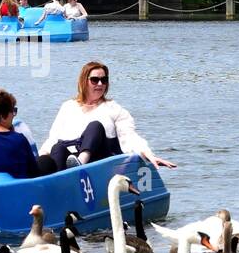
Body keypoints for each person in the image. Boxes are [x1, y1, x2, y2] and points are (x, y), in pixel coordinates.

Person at [38, 61, 176, 173]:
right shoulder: (68, 106)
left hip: (98, 160)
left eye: (104, 80)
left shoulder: (114, 108)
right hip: (71, 158)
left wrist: (146, 153)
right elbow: (53, 138)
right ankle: (57, 184)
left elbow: (129, 137)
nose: (100, 84)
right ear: (83, 82)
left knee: (95, 126)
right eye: (95, 80)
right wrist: (39, 158)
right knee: (57, 148)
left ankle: (80, 163)